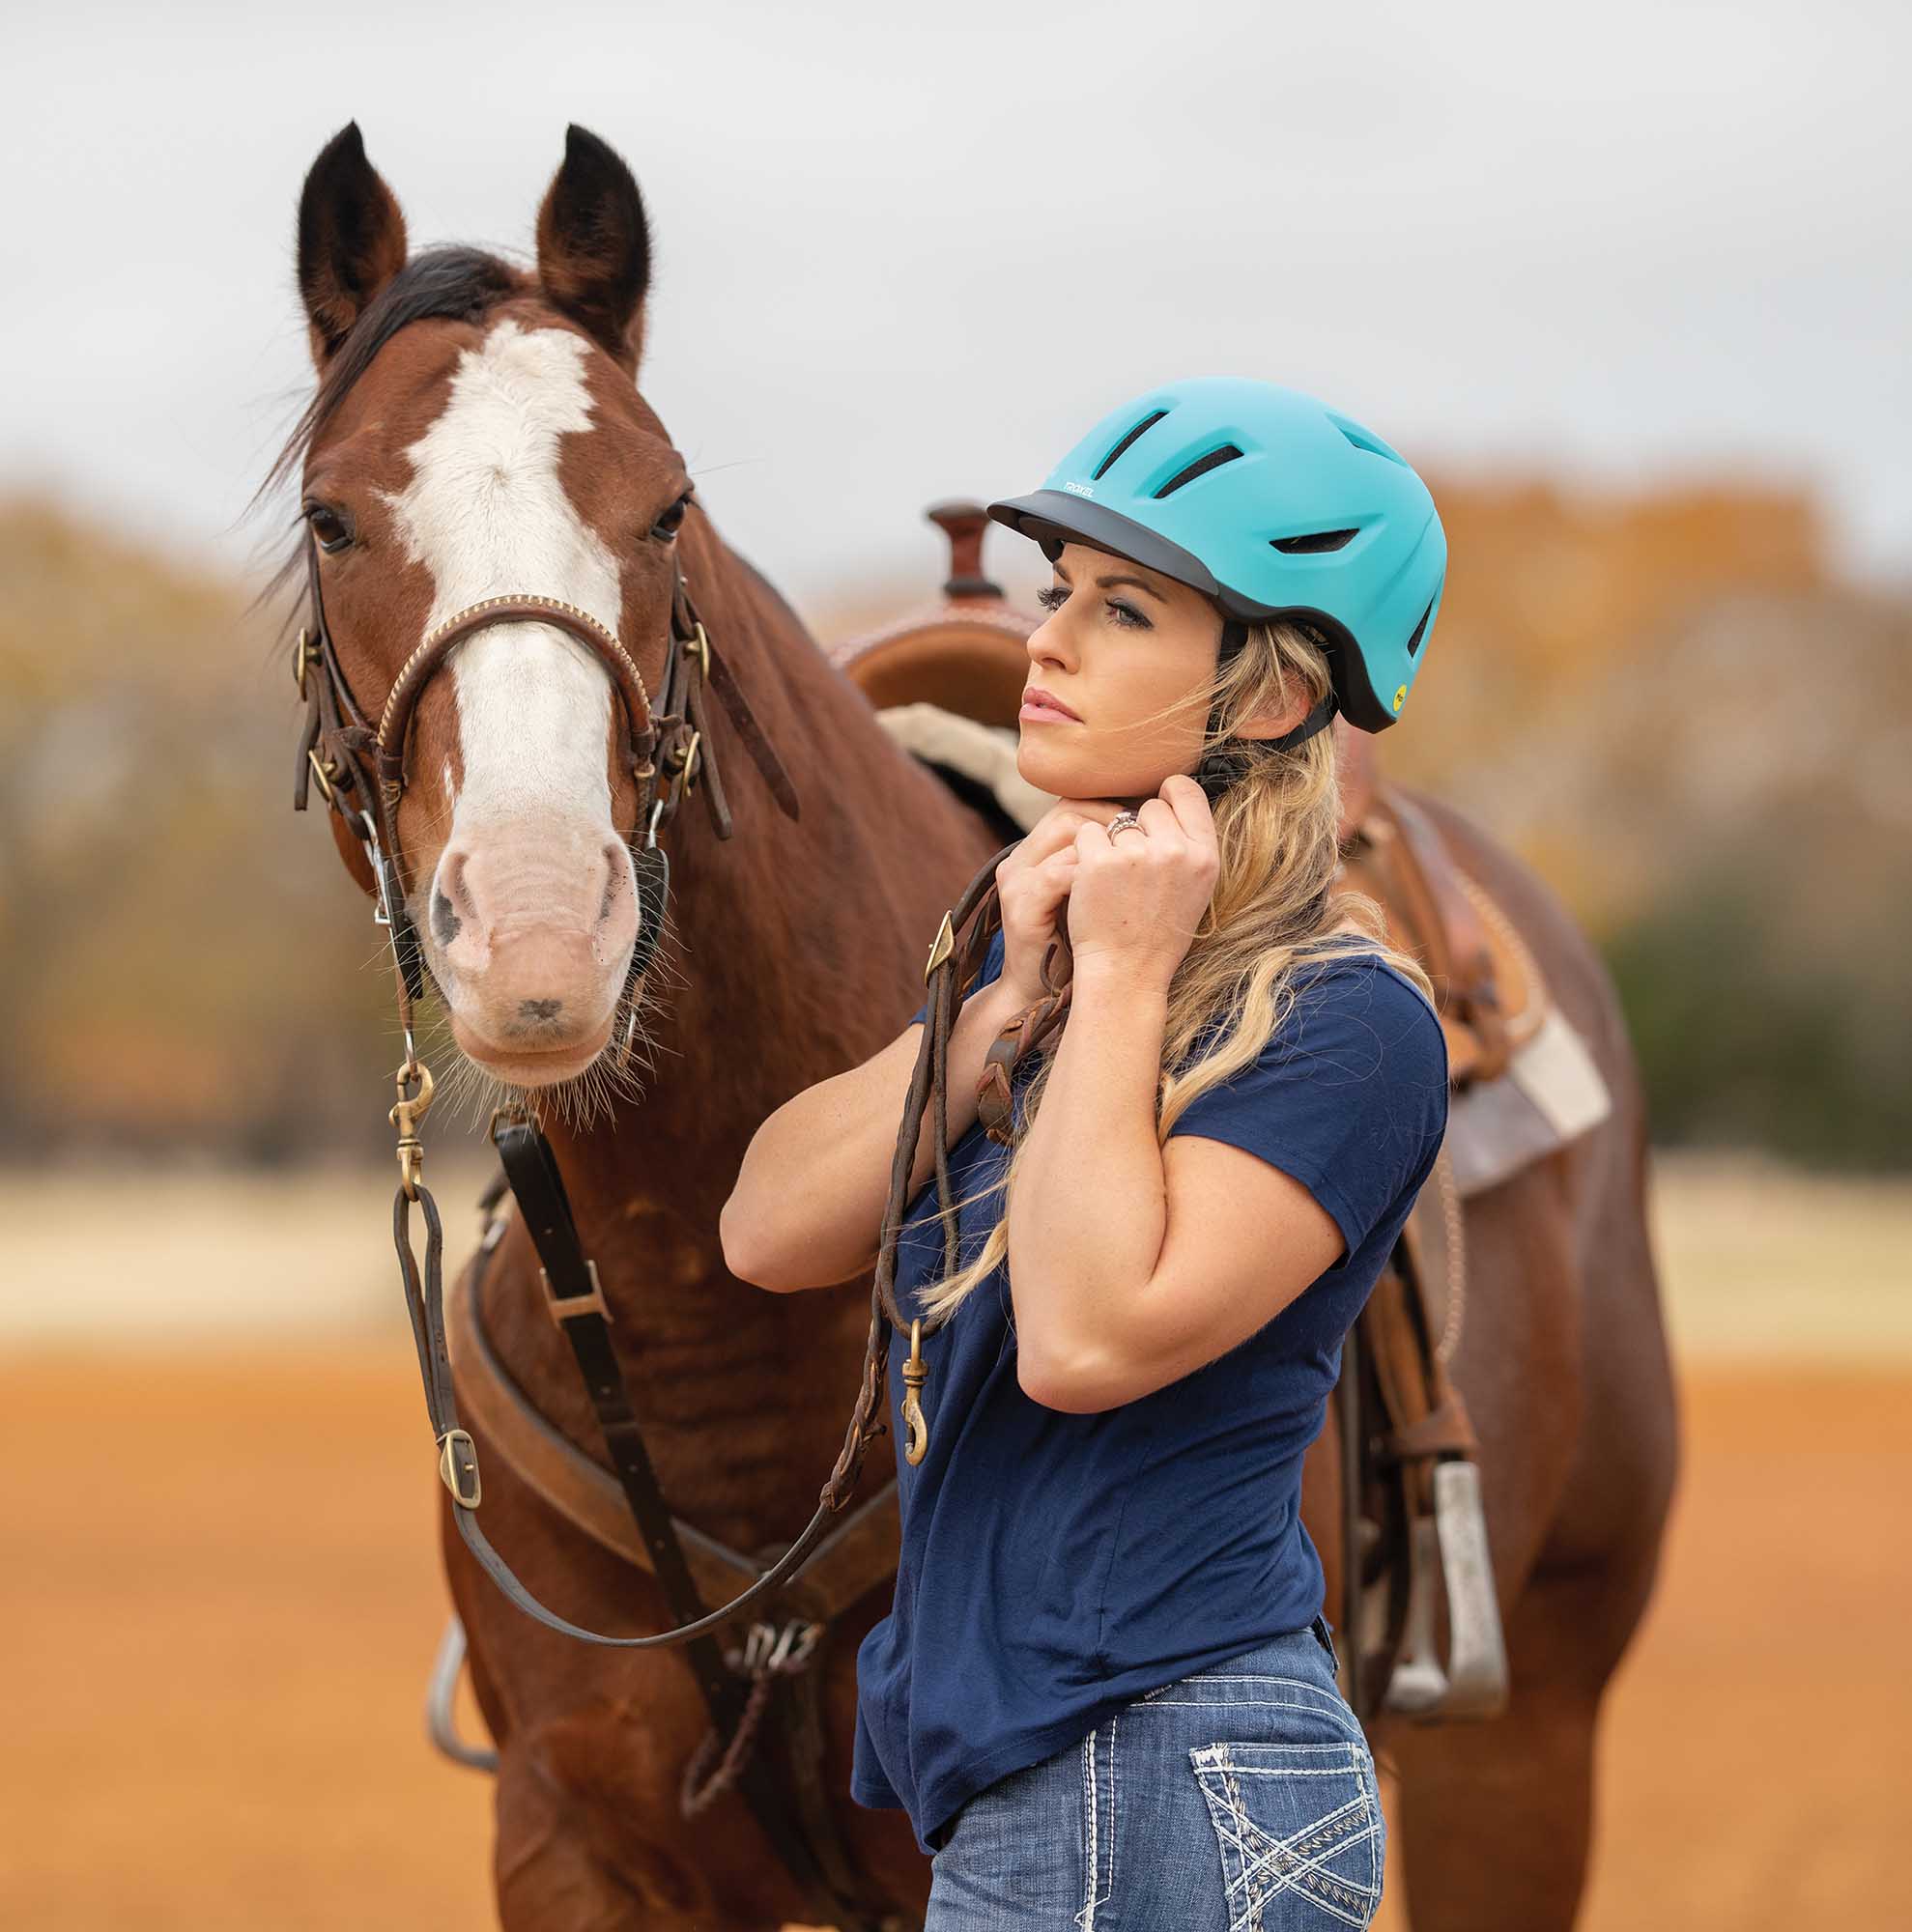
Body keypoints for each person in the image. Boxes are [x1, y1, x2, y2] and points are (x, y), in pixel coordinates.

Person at [720, 377, 1450, 1930]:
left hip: (1166, 1776)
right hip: (1059, 1784)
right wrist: (998, 1011)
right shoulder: (1040, 976)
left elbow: (1086, 1339)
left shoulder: (1351, 1022)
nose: (1042, 641)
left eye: (1121, 610)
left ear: (1270, 697)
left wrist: (1117, 978)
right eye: (1058, 592)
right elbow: (766, 1230)